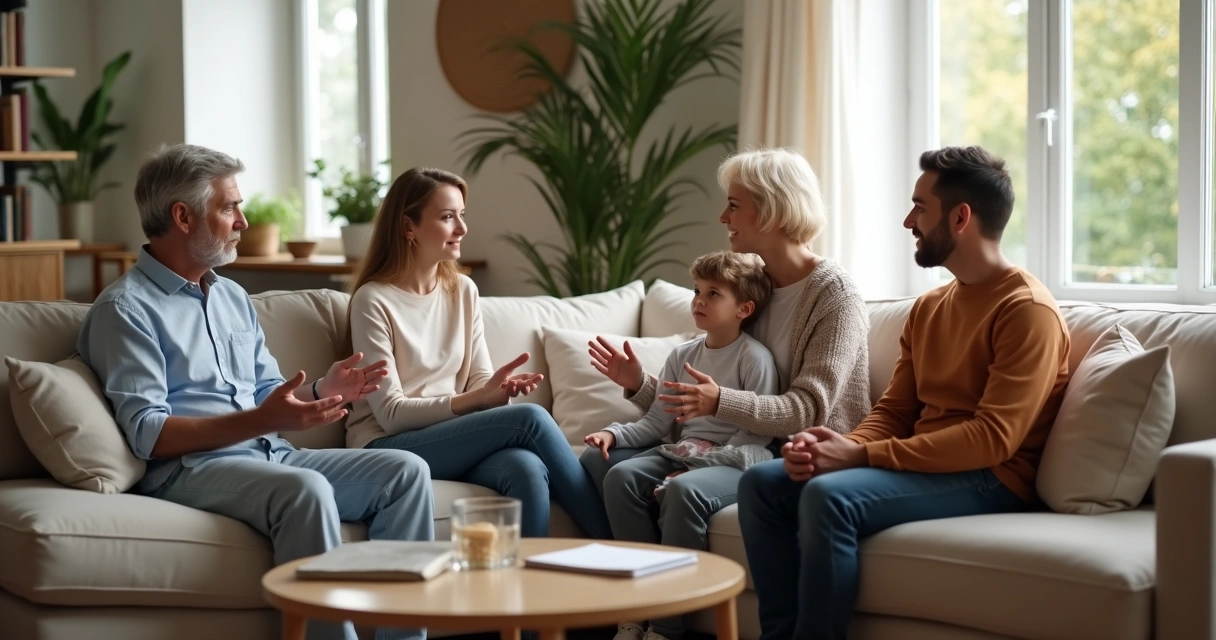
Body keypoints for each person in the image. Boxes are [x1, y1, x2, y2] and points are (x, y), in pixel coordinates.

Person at [78, 144, 433, 640]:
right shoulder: (126, 310)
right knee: (305, 491)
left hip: (270, 453)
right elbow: (148, 435)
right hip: (189, 469)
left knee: (406, 471)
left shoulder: (231, 296)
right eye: (229, 207)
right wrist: (264, 420)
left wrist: (322, 390)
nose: (243, 221)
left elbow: (267, 392)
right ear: (183, 216)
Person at [737, 146, 1072, 640]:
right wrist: (844, 445)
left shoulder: (1026, 310)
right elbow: (895, 410)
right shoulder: (929, 307)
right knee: (762, 485)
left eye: (919, 206)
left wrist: (863, 457)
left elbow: (992, 439)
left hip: (990, 477)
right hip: (926, 462)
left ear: (961, 218)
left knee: (830, 497)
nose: (906, 220)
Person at [582, 147, 872, 496]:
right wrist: (641, 384)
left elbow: (806, 410)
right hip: (731, 445)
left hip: (797, 454)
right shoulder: (751, 286)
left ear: (772, 210)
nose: (723, 217)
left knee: (669, 487)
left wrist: (720, 402)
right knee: (597, 461)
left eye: (734, 205)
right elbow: (707, 399)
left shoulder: (834, 296)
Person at [343, 166, 612, 540]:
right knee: (529, 419)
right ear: (408, 227)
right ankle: (624, 545)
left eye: (461, 215)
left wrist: (495, 391)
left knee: (526, 467)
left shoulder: (462, 291)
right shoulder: (373, 300)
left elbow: (479, 380)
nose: (462, 229)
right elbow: (390, 415)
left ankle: (524, 588)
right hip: (387, 445)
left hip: (447, 438)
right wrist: (475, 399)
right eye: (447, 217)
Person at [583, 250, 777, 640]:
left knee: (684, 491)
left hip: (739, 458)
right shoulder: (682, 355)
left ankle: (666, 628)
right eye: (696, 291)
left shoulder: (755, 359)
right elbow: (657, 422)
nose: (699, 301)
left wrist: (696, 468)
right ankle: (635, 610)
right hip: (686, 451)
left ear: (744, 308)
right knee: (619, 476)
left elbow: (756, 432)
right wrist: (614, 434)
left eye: (713, 294)